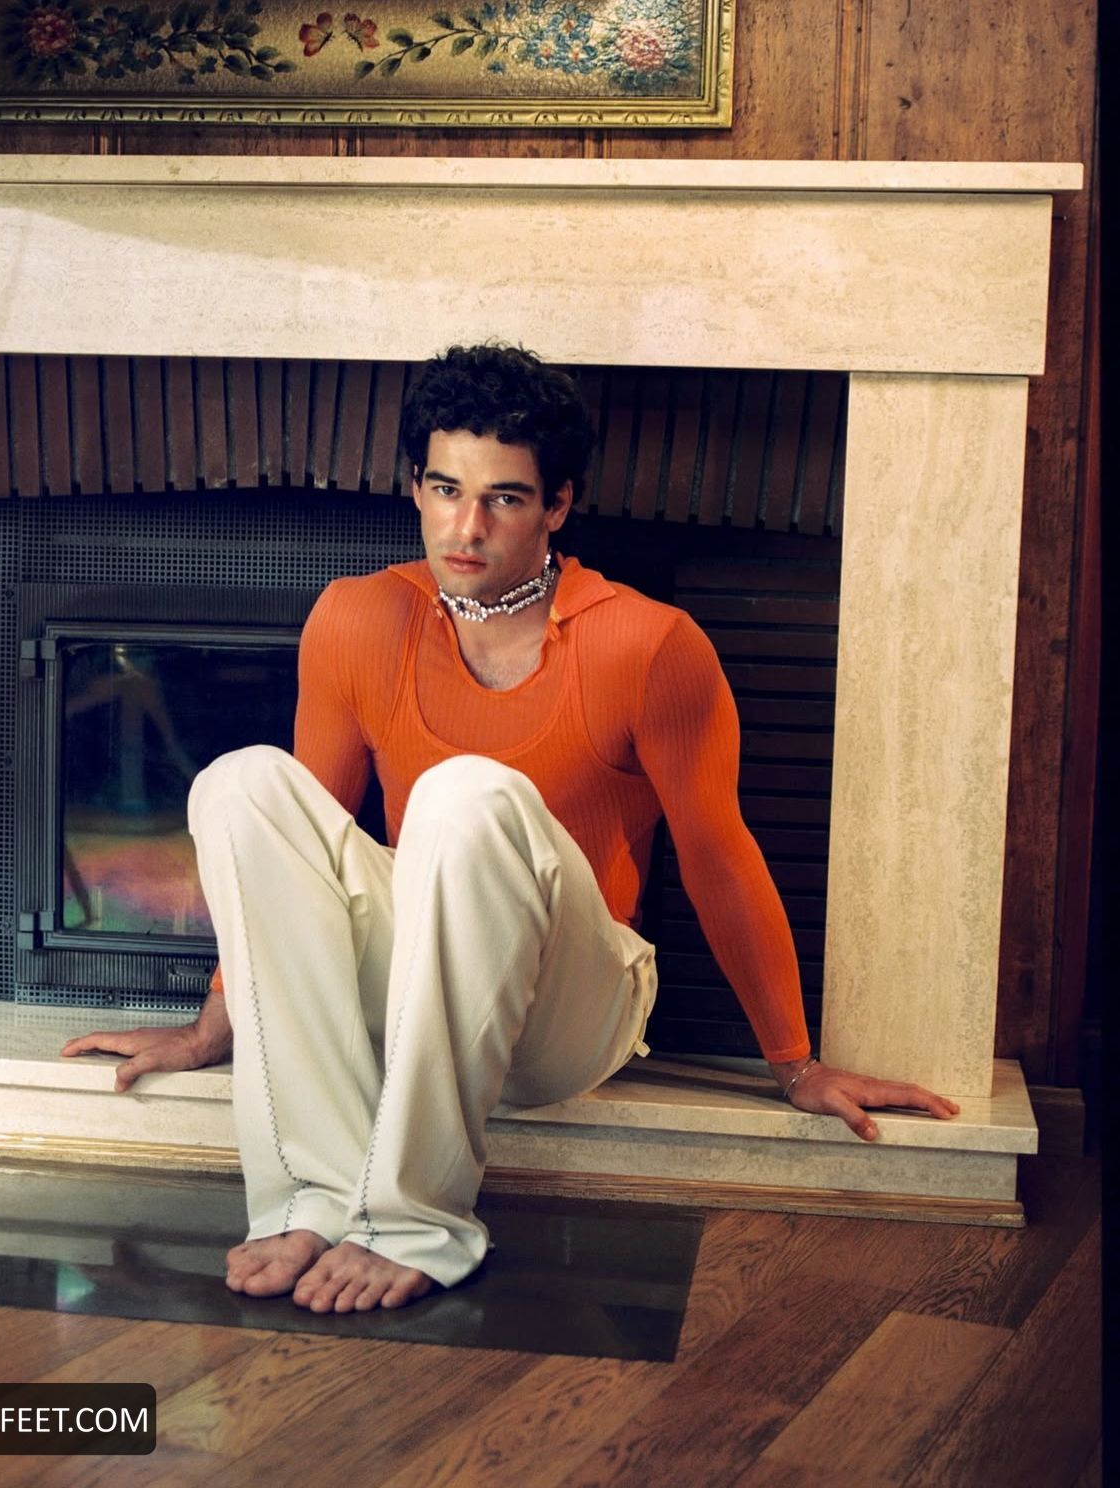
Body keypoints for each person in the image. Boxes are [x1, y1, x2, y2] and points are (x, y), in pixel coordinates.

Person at [62, 344, 959, 1314]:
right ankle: (316, 1193)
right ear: (415, 485)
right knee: (242, 784)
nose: (467, 526)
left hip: (573, 1012)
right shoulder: (357, 619)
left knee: (464, 795)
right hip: (418, 987)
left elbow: (717, 854)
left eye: (506, 499)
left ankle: (414, 1218)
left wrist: (796, 1064)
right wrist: (216, 1024)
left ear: (558, 505)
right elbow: (299, 852)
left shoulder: (648, 644)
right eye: (446, 489)